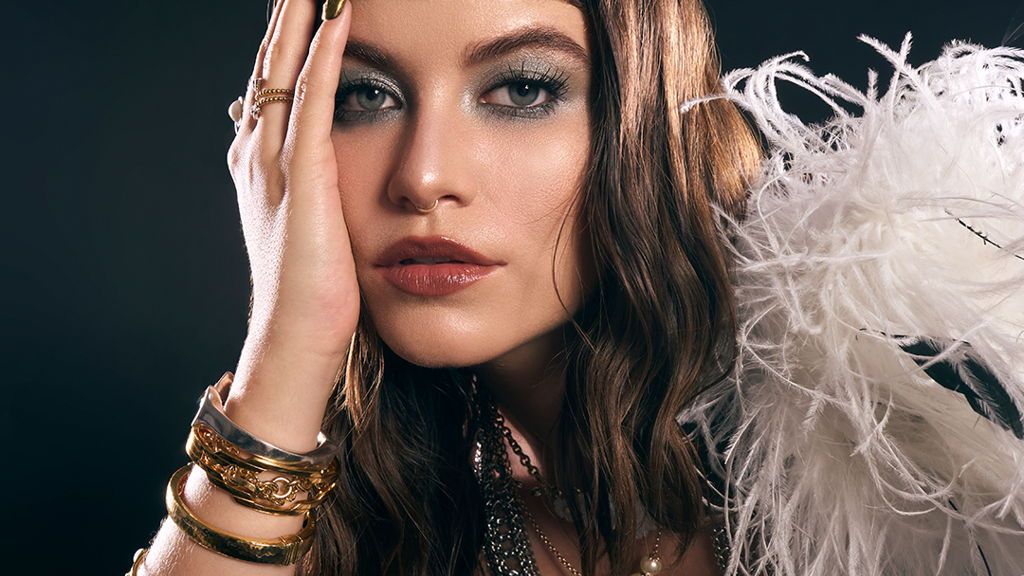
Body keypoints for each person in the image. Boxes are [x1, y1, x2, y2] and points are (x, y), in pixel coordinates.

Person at [129, 0, 760, 574]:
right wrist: (288, 345)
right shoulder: (366, 515)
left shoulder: (811, 430)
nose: (423, 177)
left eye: (523, 89)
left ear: (652, 123)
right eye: (366, 96)